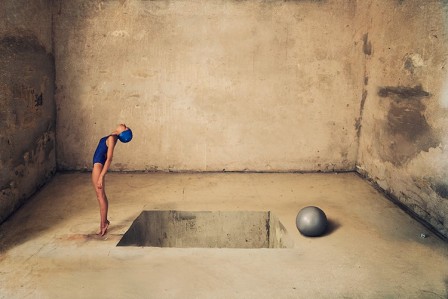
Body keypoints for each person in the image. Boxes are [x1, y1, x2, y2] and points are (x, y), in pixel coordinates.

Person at [92, 123, 133, 236]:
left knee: (101, 196)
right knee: (100, 196)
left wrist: (101, 176)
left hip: (98, 166)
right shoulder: (113, 137)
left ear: (122, 133)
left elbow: (109, 159)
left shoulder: (112, 138)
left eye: (125, 128)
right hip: (97, 165)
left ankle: (103, 224)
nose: (125, 125)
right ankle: (103, 223)